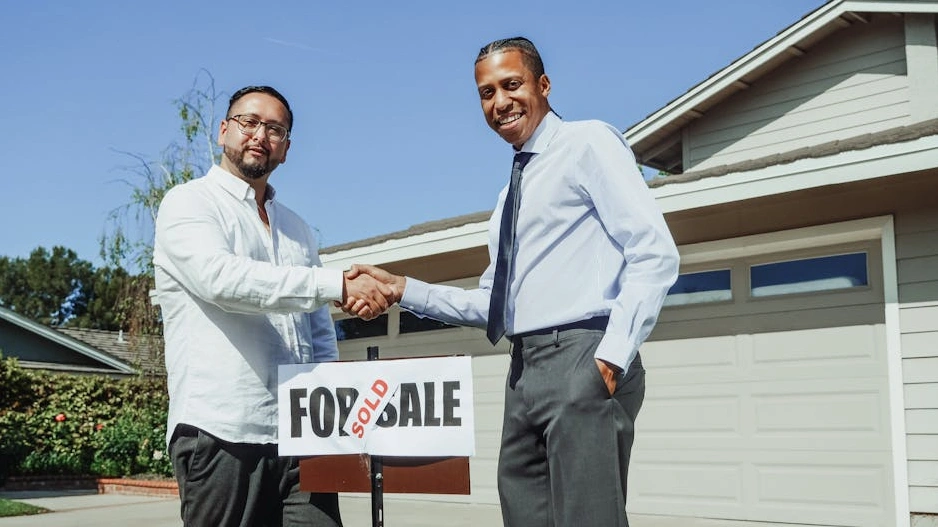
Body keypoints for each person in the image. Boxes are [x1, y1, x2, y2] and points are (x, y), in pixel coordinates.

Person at [343, 38, 679, 526]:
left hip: (582, 355)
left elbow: (654, 252)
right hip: (523, 369)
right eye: (487, 93)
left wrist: (611, 357)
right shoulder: (509, 196)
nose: (500, 102)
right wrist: (402, 289)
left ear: (543, 85)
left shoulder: (588, 142)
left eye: (511, 85)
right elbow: (493, 304)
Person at [153, 85, 394, 527]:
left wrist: (331, 414)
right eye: (249, 122)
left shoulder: (297, 228)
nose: (260, 135)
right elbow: (222, 281)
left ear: (286, 148)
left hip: (303, 434)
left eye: (275, 129)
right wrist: (337, 284)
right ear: (224, 130)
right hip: (222, 430)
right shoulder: (188, 203)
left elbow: (318, 331)